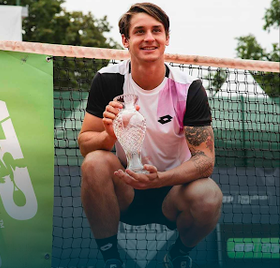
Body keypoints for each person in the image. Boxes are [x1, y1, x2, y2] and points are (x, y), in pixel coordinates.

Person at [78, 2, 223, 268]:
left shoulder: (188, 88)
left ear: (167, 38)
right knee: (95, 162)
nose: (148, 37)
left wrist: (161, 179)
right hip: (126, 188)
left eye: (156, 30)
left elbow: (205, 160)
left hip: (174, 191)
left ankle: (178, 254)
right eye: (139, 31)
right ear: (125, 39)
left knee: (210, 195)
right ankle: (112, 260)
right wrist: (108, 135)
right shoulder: (107, 79)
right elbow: (86, 143)